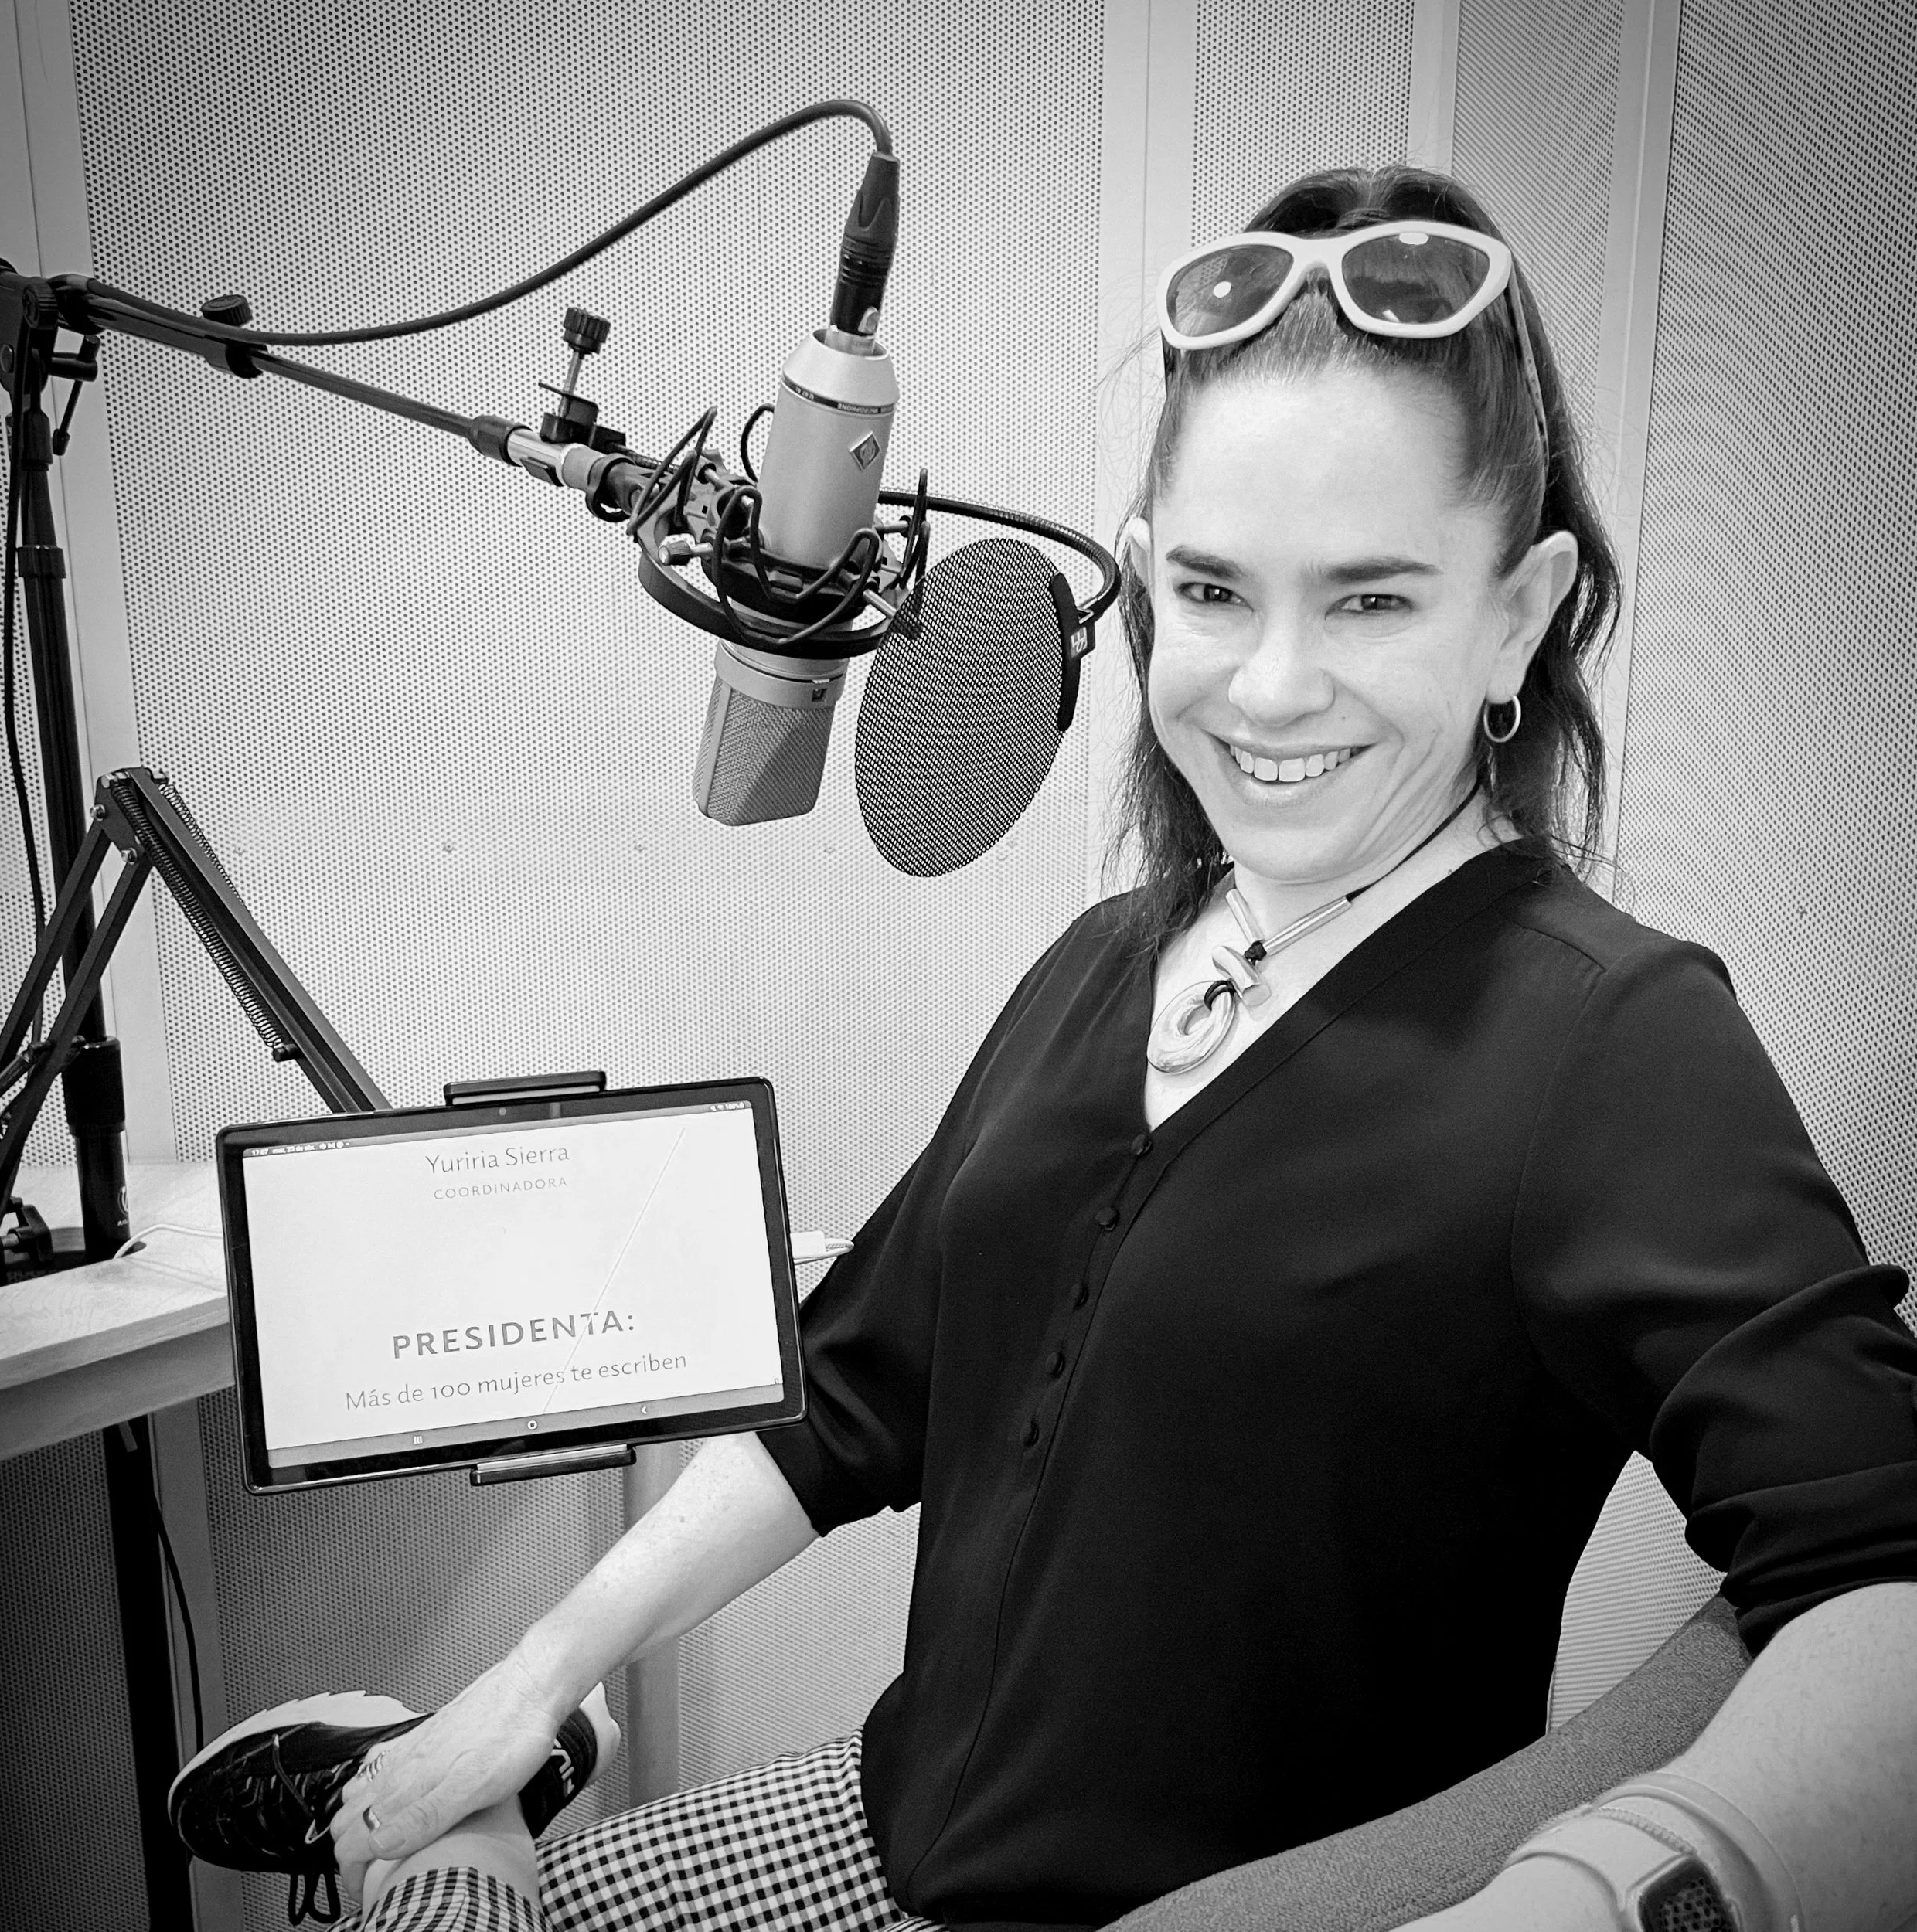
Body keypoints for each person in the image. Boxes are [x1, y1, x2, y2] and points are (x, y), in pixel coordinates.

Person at [175, 164, 1917, 1932]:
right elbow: (848, 1392)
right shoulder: (1112, 954)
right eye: (1217, 594)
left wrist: (1571, 1896)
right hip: (878, 1817)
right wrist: (532, 1672)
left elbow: (1879, 1570)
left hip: (1231, 1904)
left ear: (1519, 615)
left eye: (1373, 600)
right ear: (1149, 581)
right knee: (425, 1893)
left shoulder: (1613, 1039)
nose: (1267, 687)